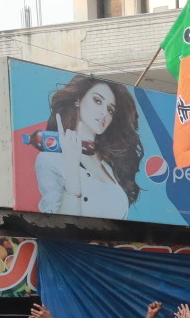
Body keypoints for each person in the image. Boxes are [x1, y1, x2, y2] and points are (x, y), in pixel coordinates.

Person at [32, 75, 143, 220]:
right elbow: (60, 227)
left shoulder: (110, 162)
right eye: (97, 101)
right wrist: (72, 169)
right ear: (78, 100)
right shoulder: (50, 160)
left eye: (110, 110)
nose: (104, 113)